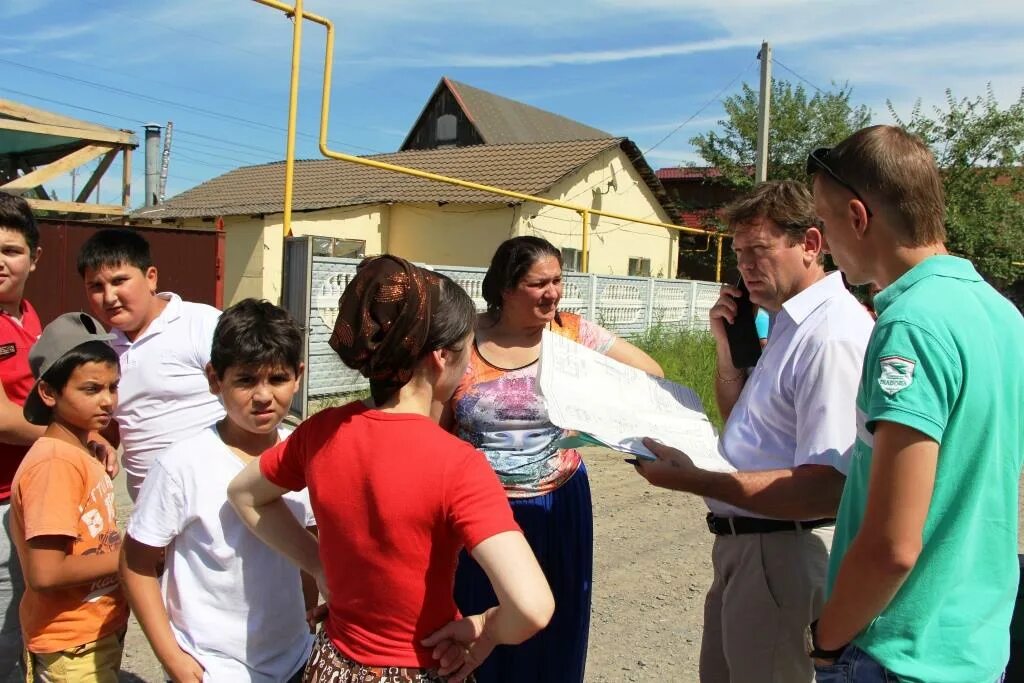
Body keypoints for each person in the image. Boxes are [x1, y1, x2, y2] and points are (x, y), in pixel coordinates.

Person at [228, 255, 553, 683]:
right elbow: (532, 606)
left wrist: (318, 564)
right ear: (440, 358)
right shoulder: (456, 464)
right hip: (420, 669)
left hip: (333, 665)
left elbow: (245, 494)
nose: (470, 364)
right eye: (466, 351)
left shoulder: (321, 432)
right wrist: (486, 629)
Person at [632, 180, 874, 683]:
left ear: (810, 243)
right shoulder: (788, 321)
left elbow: (828, 485)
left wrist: (697, 480)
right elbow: (745, 418)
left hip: (783, 549)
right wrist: (728, 348)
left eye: (759, 250)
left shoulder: (830, 336)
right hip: (749, 549)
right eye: (739, 252)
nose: (744, 265)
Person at [807, 126, 1023, 682]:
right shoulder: (1002, 315)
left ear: (858, 217)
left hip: (899, 648)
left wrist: (828, 639)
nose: (823, 242)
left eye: (825, 223)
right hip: (973, 644)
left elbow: (893, 544)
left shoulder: (910, 323)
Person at [446, 236, 663, 683]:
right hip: (479, 510)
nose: (553, 293)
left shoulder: (573, 335)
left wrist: (590, 420)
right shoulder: (465, 340)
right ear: (505, 288)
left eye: (558, 281)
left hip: (558, 503)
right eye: (538, 283)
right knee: (478, 621)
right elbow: (437, 421)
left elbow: (651, 375)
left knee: (552, 622)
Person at [120, 299, 316, 682]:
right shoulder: (181, 466)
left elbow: (310, 550)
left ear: (298, 376)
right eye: (245, 380)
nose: (263, 396)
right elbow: (136, 565)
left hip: (294, 662)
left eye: (277, 378)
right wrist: (172, 658)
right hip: (211, 669)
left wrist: (308, 625)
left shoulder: (305, 457)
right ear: (214, 380)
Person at [10, 312, 128, 681]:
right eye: (91, 389)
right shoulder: (55, 464)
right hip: (73, 644)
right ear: (48, 392)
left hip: (91, 632)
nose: (108, 401)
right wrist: (131, 556)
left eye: (113, 387)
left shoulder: (79, 450)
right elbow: (46, 572)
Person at [77, 228, 224, 500]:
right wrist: (98, 442)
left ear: (151, 277)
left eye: (120, 281)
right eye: (96, 286)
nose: (109, 297)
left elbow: (252, 399)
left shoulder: (203, 325)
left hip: (220, 505)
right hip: (151, 515)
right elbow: (108, 426)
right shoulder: (98, 350)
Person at [0, 193, 43, 677]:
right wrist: (70, 439)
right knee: (4, 630)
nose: (0, 262)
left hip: (26, 494)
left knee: (27, 614)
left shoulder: (28, 315)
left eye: (11, 250)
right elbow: (3, 420)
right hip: (0, 503)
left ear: (34, 258)